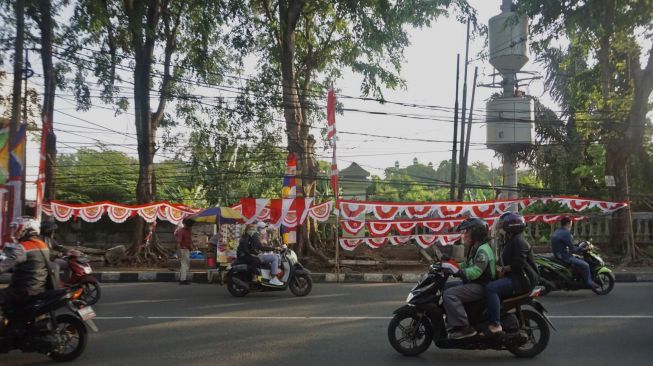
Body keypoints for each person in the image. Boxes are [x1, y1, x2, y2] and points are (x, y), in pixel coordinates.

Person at [441, 218, 497, 339]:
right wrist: (450, 265)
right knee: (444, 288)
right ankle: (452, 322)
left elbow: (476, 271)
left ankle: (464, 328)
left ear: (476, 233)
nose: (465, 235)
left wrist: (458, 271)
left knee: (449, 294)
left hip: (481, 285)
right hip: (475, 283)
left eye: (468, 232)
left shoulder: (483, 250)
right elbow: (467, 265)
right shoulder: (475, 247)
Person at [485, 212, 540, 335]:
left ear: (511, 227)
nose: (501, 229)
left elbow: (518, 264)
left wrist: (504, 269)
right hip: (516, 277)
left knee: (491, 288)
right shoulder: (510, 241)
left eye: (503, 226)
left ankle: (495, 324)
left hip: (522, 280)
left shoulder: (519, 242)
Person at [0, 217, 53, 313]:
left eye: (17, 229)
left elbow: (3, 266)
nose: (15, 232)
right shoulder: (43, 245)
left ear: (26, 229)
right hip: (39, 288)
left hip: (23, 291)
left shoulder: (23, 247)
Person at [550, 216, 597, 289]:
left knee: (578, 258)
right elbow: (573, 249)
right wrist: (582, 249)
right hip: (565, 257)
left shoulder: (558, 231)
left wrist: (577, 246)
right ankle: (589, 282)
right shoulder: (566, 233)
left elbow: (568, 244)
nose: (571, 225)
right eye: (571, 223)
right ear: (568, 223)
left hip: (558, 255)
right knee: (585, 265)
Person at [175, 218, 196, 285]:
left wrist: (192, 246)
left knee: (185, 265)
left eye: (190, 225)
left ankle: (182, 278)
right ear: (185, 224)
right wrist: (178, 252)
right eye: (188, 225)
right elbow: (178, 242)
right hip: (183, 249)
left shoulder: (189, 231)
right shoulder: (181, 231)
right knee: (184, 265)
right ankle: (183, 280)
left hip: (187, 249)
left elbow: (189, 240)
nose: (190, 227)